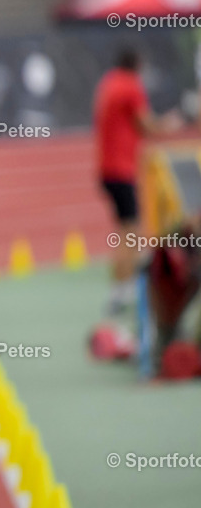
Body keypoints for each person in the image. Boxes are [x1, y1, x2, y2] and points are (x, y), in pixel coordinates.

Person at [95, 48, 183, 315]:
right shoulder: (131, 86)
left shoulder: (109, 82)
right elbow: (147, 125)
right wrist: (171, 123)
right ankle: (125, 289)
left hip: (107, 168)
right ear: (137, 66)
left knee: (125, 230)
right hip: (121, 169)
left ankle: (121, 289)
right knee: (130, 232)